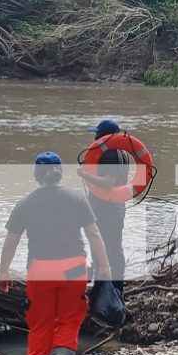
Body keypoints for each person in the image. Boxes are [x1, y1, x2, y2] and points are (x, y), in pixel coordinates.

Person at [0, 152, 111, 355]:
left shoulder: (25, 203)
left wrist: (4, 270)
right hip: (73, 269)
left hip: (40, 271)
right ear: (60, 174)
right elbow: (94, 234)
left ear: (36, 175)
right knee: (69, 321)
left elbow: (11, 242)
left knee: (40, 323)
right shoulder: (78, 198)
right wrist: (105, 266)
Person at [77, 119, 129, 294]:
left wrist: (85, 174)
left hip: (104, 208)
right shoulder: (122, 153)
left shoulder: (109, 154)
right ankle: (116, 289)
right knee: (115, 248)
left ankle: (102, 291)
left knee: (101, 248)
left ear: (103, 136)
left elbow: (108, 182)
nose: (94, 136)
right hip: (117, 206)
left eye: (97, 133)